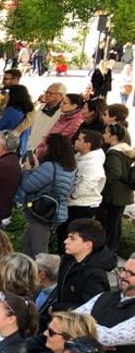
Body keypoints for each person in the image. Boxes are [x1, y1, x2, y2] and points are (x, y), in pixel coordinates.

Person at [18, 133, 77, 258]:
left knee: (39, 251)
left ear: (53, 149)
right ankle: (27, 271)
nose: (42, 148)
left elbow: (28, 185)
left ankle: (41, 275)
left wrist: (27, 170)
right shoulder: (69, 167)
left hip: (42, 212)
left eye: (46, 146)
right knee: (28, 243)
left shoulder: (50, 167)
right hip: (54, 211)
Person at [55, 218, 115, 310]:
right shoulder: (69, 260)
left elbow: (89, 308)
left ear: (87, 244)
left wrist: (59, 309)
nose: (66, 241)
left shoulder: (95, 275)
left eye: (72, 238)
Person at [100, 122, 134, 251]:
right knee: (116, 222)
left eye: (106, 133)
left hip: (115, 194)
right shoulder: (126, 149)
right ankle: (113, 248)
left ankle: (109, 249)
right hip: (124, 193)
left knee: (112, 223)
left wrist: (102, 181)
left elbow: (114, 173)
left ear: (113, 136)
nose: (104, 135)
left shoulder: (114, 152)